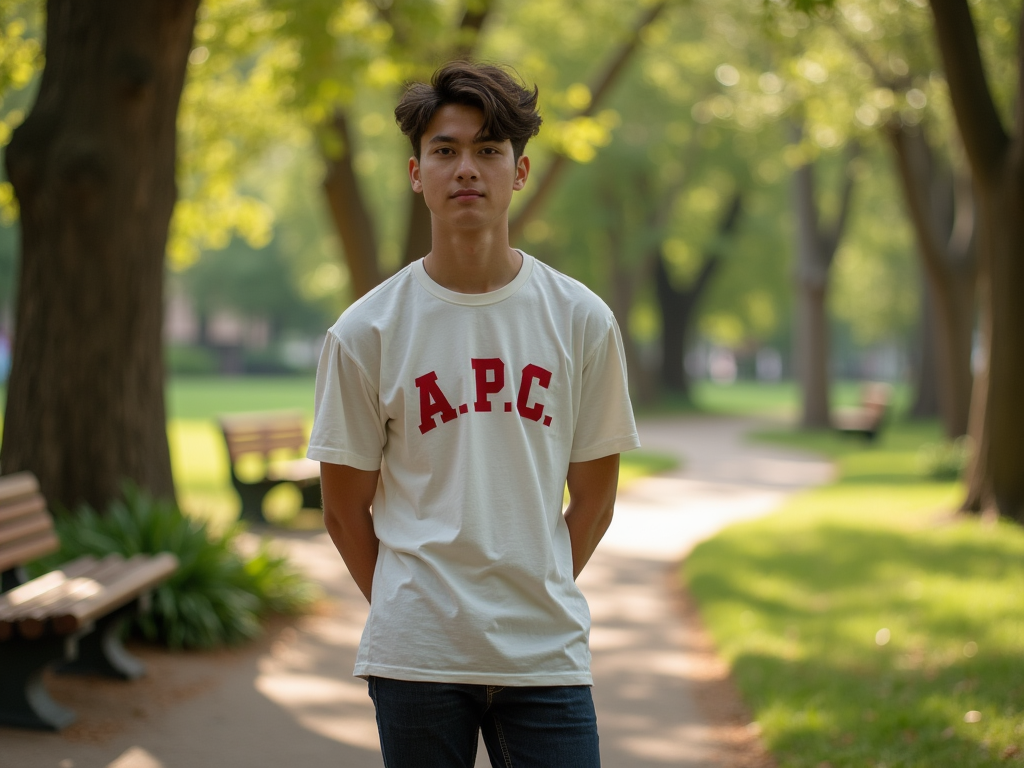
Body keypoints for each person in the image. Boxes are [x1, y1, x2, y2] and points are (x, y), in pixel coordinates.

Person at [307, 60, 640, 768]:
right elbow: (343, 512)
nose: (467, 169)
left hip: (543, 652)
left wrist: (532, 583)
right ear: (415, 172)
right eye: (446, 150)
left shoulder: (581, 320)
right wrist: (417, 609)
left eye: (489, 150)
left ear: (518, 172)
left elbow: (597, 499)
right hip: (418, 659)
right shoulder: (367, 333)